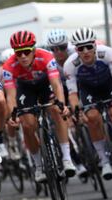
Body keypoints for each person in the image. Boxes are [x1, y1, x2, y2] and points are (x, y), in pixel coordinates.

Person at [65, 27, 112, 180]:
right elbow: (72, 94)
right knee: (92, 118)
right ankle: (105, 161)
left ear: (95, 46)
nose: (85, 51)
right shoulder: (70, 64)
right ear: (76, 50)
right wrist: (77, 110)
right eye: (80, 48)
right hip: (89, 91)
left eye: (89, 47)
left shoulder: (107, 53)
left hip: (108, 86)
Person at [3, 30, 76, 183]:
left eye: (26, 51)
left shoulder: (46, 57)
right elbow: (10, 95)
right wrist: (13, 115)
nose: (22, 56)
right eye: (19, 52)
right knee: (28, 125)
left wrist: (62, 104)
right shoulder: (9, 66)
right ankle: (38, 166)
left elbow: (56, 84)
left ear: (34, 50)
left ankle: (67, 158)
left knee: (56, 110)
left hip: (45, 86)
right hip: (26, 89)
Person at [46, 28, 87, 178]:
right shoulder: (49, 60)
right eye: (54, 49)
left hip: (77, 85)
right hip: (60, 88)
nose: (58, 52)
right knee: (62, 120)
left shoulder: (75, 55)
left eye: (62, 48)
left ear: (67, 46)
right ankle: (77, 161)